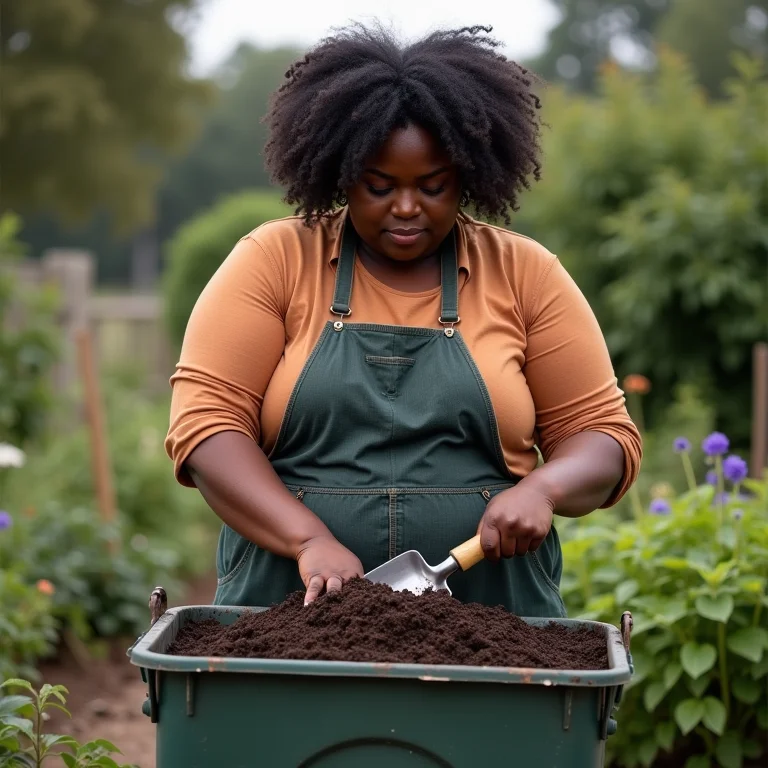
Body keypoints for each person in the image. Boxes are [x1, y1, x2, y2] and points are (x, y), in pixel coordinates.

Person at [165, 24, 642, 615]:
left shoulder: (525, 273)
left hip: (490, 618)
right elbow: (206, 427)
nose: (408, 207)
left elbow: (604, 437)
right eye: (380, 186)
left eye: (434, 186)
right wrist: (307, 538)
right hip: (289, 610)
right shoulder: (275, 261)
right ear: (342, 173)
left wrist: (544, 489)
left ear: (469, 173)